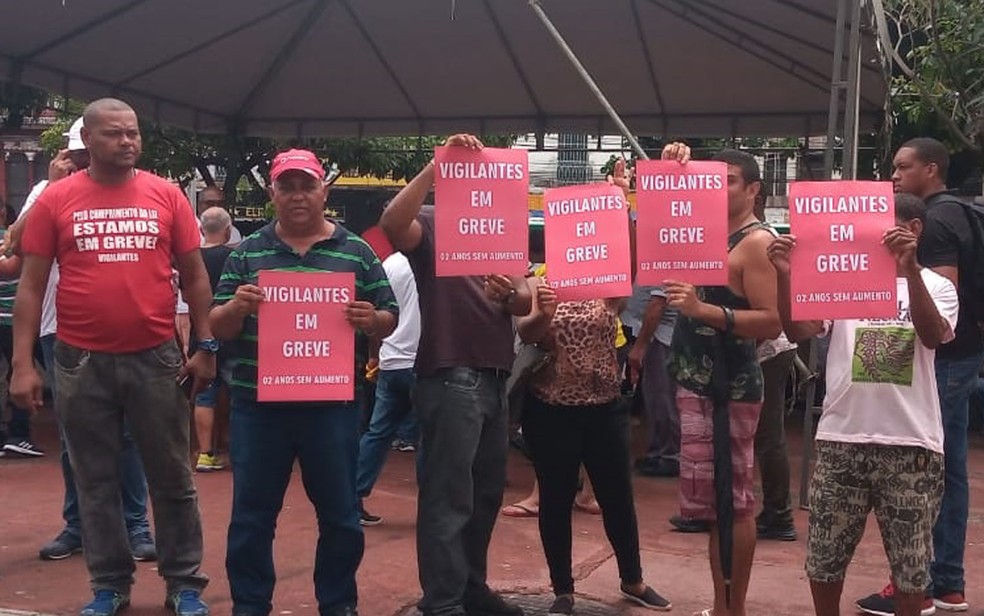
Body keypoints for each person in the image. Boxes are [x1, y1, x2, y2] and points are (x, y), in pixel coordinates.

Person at [11, 98, 214, 616]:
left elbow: (195, 276)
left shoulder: (167, 195)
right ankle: (109, 584)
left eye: (133, 133)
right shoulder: (56, 200)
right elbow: (31, 285)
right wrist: (22, 364)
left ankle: (184, 583)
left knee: (173, 477)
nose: (127, 141)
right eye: (114, 134)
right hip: (80, 361)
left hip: (156, 358)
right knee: (94, 479)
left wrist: (206, 344)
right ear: (88, 140)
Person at [210, 148, 398, 616]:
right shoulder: (247, 252)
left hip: (332, 406)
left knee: (340, 515)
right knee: (252, 516)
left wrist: (371, 319)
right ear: (272, 193)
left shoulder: (357, 252)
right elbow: (218, 326)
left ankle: (338, 603)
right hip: (259, 407)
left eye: (307, 186)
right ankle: (249, 604)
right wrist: (236, 308)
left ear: (323, 192)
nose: (298, 196)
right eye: (287, 187)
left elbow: (389, 314)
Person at [771, 194, 956, 616]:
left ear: (913, 229)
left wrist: (910, 271)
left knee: (911, 568)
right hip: (841, 438)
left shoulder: (938, 286)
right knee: (824, 557)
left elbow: (932, 335)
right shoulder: (843, 279)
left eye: (883, 226)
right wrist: (784, 275)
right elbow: (798, 329)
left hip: (912, 445)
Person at [380, 133, 533, 616]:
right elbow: (391, 222)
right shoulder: (430, 222)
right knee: (449, 495)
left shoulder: (503, 228)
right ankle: (443, 600)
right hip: (450, 373)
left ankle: (470, 586)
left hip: (495, 374)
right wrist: (435, 166)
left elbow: (524, 301)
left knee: (485, 492)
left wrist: (510, 294)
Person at [14, 118, 156, 562]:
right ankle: (79, 525)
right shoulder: (47, 193)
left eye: (82, 155)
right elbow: (16, 248)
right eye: (75, 154)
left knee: (129, 435)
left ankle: (135, 524)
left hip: (127, 335)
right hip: (61, 331)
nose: (80, 162)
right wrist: (51, 187)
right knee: (73, 437)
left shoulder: (142, 190)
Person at [856, 138, 984, 615]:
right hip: (964, 354)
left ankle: (919, 583)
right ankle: (947, 582)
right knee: (950, 467)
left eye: (902, 166)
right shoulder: (962, 211)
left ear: (931, 169)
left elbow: (941, 287)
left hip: (941, 357)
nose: (894, 175)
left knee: (926, 468)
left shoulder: (934, 220)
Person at [665, 145, 781, 616]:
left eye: (728, 179)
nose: (717, 188)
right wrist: (677, 168)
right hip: (697, 383)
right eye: (712, 180)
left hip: (728, 387)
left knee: (734, 502)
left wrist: (704, 310)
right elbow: (662, 216)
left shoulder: (757, 242)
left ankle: (734, 609)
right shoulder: (706, 233)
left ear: (753, 189)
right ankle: (720, 605)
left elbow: (771, 320)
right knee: (716, 506)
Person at [515, 272, 671, 615]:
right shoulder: (539, 282)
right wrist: (544, 313)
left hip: (605, 408)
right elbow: (527, 332)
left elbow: (622, 292)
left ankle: (633, 580)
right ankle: (563, 589)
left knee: (617, 497)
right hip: (550, 409)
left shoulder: (607, 278)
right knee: (555, 498)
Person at [354, 228, 421, 526]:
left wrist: (374, 356)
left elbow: (377, 317)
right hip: (422, 363)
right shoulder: (433, 262)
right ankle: (433, 506)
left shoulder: (390, 265)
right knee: (430, 437)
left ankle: (352, 497)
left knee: (377, 432)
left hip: (391, 361)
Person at [193, 206, 235, 472]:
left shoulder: (192, 259)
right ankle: (239, 450)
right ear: (228, 231)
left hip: (200, 333)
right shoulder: (234, 257)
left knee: (204, 395)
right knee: (238, 394)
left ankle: (205, 453)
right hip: (230, 333)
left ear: (201, 229)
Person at [0, 196, 43, 458]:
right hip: (9, 320)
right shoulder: (8, 240)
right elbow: (10, 269)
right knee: (21, 371)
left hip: (9, 319)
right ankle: (19, 434)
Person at [628, 285, 680, 478]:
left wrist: (640, 346)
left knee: (662, 398)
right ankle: (659, 452)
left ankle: (668, 456)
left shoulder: (663, 267)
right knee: (656, 397)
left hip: (661, 336)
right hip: (659, 335)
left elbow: (657, 305)